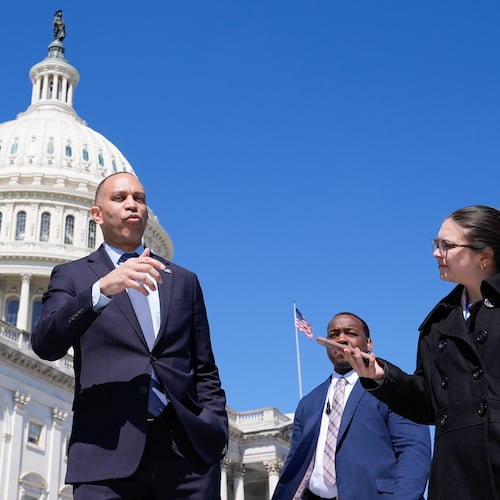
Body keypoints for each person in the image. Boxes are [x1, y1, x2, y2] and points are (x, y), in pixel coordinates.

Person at [31, 172, 228, 500]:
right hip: (105, 454)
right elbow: (45, 344)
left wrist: (214, 429)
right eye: (120, 198)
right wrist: (101, 290)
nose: (132, 205)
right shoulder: (74, 276)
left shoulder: (183, 280)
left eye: (139, 198)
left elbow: (204, 367)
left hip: (186, 459)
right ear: (97, 215)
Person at [347, 205, 500, 500]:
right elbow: (428, 403)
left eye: (447, 245)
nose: (436, 253)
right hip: (455, 474)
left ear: (484, 255)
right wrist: (381, 376)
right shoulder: (437, 324)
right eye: (436, 243)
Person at [272, 312, 431, 500]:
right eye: (334, 334)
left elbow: (413, 451)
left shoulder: (392, 388)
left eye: (350, 333)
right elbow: (295, 461)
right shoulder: (308, 403)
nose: (341, 339)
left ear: (369, 343)